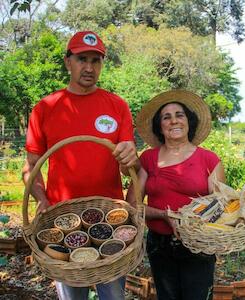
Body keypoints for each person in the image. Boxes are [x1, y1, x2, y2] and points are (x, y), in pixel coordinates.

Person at [22, 31, 138, 300]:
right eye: (82, 59)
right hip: (63, 223)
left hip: (110, 221)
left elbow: (128, 166)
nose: (89, 67)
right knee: (72, 296)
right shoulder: (46, 108)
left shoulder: (117, 105)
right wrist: (42, 199)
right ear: (67, 62)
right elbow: (31, 167)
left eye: (96, 61)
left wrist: (131, 157)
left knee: (113, 296)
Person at [129, 90, 225, 300]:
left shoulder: (209, 160)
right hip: (160, 245)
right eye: (166, 117)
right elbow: (132, 207)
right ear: (159, 126)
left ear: (189, 121)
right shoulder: (148, 159)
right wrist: (165, 215)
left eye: (179, 115)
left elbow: (221, 207)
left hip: (199, 245)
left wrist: (189, 224)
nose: (174, 121)